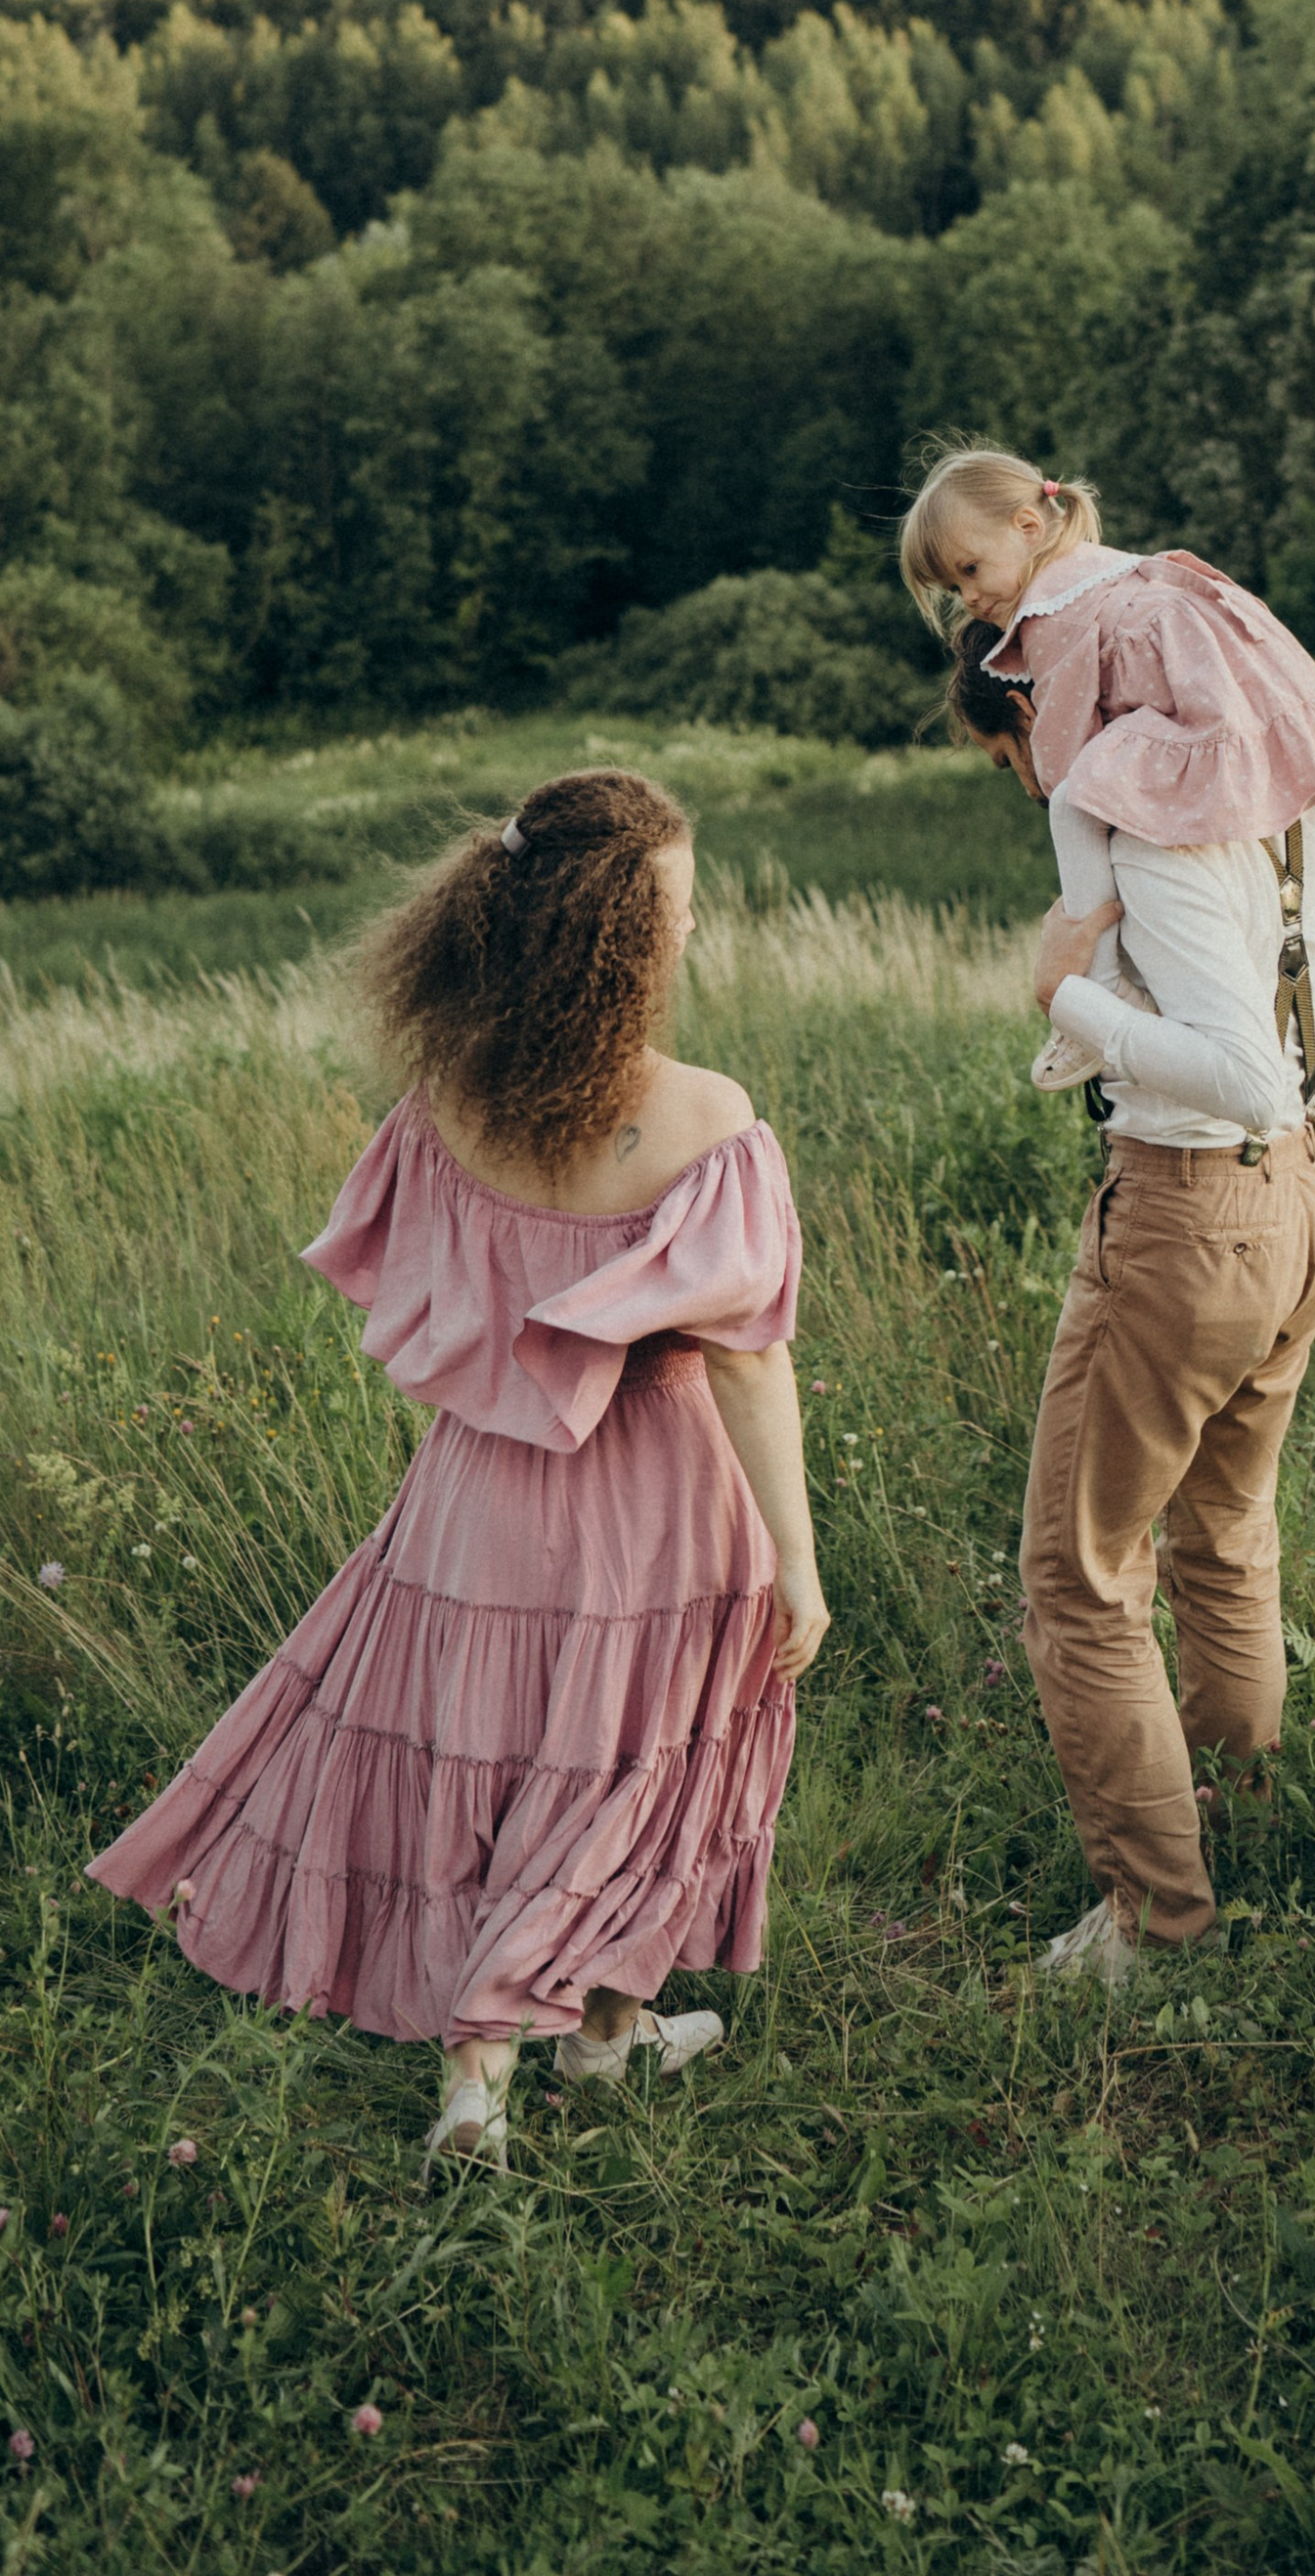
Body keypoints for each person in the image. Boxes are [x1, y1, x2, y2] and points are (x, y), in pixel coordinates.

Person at [87, 768, 829, 2171]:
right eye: (677, 905)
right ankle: (584, 2030)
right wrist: (796, 1556)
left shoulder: (451, 1102)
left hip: (475, 1498)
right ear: (622, 936)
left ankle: (499, 2077)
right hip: (653, 1498)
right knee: (633, 1764)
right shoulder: (704, 1116)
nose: (692, 930)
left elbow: (426, 1292)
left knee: (484, 1758)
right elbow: (744, 1359)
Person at [946, 616, 1315, 1984]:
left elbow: (1241, 1073)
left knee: (1078, 1579)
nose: (1032, 786)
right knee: (1228, 1532)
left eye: (1014, 750)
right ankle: (1240, 1825)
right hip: (1306, 1200)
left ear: (1053, 708)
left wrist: (1074, 996)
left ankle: (1157, 1919)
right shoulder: (1274, 797)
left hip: (1193, 1214)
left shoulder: (1142, 834)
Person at [898, 448, 1315, 1094]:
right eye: (955, 587)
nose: (970, 596)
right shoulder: (1102, 569)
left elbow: (1066, 730)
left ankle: (1094, 989)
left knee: (1073, 801)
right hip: (1238, 706)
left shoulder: (1048, 610)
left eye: (970, 570)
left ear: (1027, 527)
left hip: (1196, 716)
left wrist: (1077, 792)